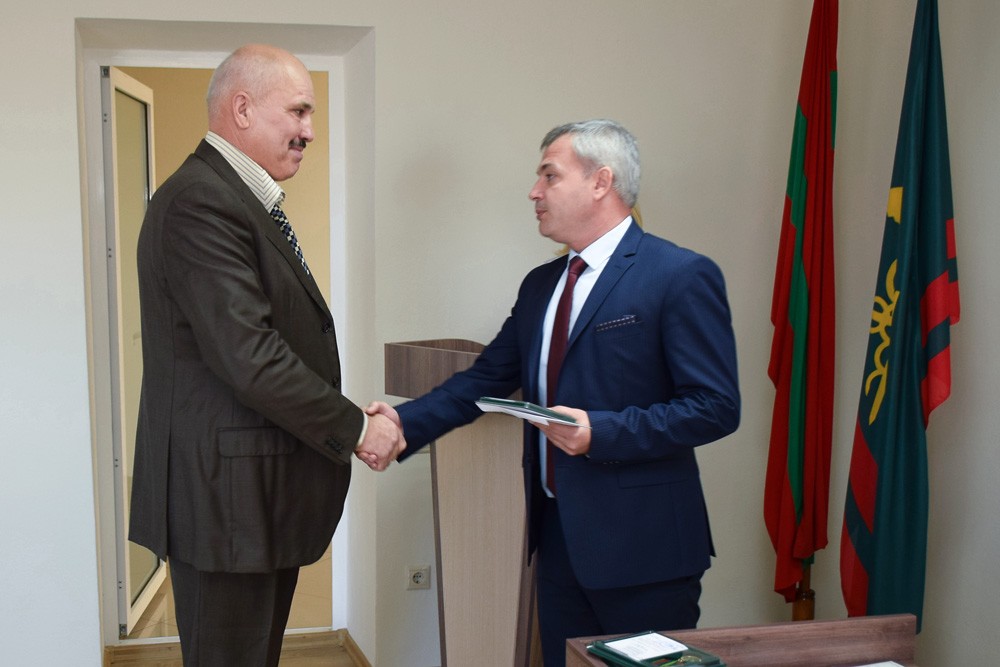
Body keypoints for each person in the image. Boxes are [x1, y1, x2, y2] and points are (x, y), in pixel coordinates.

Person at [368, 119, 740, 666]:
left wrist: (600, 432)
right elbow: (484, 379)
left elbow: (715, 407)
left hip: (646, 550)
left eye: (549, 175)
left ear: (601, 182)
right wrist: (403, 424)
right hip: (559, 539)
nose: (534, 192)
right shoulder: (541, 285)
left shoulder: (679, 274)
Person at [128, 44, 405, 666]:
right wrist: (358, 428)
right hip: (228, 506)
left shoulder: (237, 199)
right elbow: (250, 356)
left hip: (249, 502)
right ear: (243, 109)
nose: (310, 131)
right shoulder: (202, 201)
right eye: (299, 111)